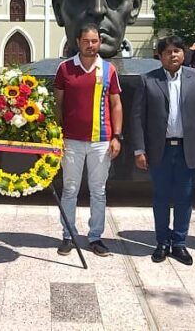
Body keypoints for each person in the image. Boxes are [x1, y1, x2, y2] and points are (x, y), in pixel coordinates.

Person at [132, 36, 195, 265]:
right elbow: (137, 118)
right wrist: (139, 149)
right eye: (168, 51)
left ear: (184, 54)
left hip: (188, 149)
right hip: (160, 150)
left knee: (184, 198)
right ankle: (161, 242)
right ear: (160, 55)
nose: (173, 55)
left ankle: (179, 243)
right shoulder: (147, 80)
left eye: (177, 50)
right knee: (160, 197)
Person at [54, 23, 123, 256]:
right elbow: (58, 105)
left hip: (101, 141)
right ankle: (68, 235)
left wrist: (117, 136)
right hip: (71, 141)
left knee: (98, 191)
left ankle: (95, 237)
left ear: (99, 43)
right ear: (78, 42)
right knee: (69, 189)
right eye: (86, 41)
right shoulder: (64, 69)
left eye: (94, 41)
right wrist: (57, 135)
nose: (90, 45)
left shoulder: (108, 69)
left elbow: (116, 104)